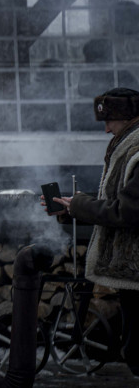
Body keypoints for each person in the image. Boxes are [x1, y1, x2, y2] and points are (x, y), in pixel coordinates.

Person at [51, 87, 139, 377]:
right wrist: (71, 207)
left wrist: (80, 205)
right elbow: (114, 200)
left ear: (128, 118)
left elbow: (125, 212)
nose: (105, 130)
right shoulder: (127, 147)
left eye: (109, 121)